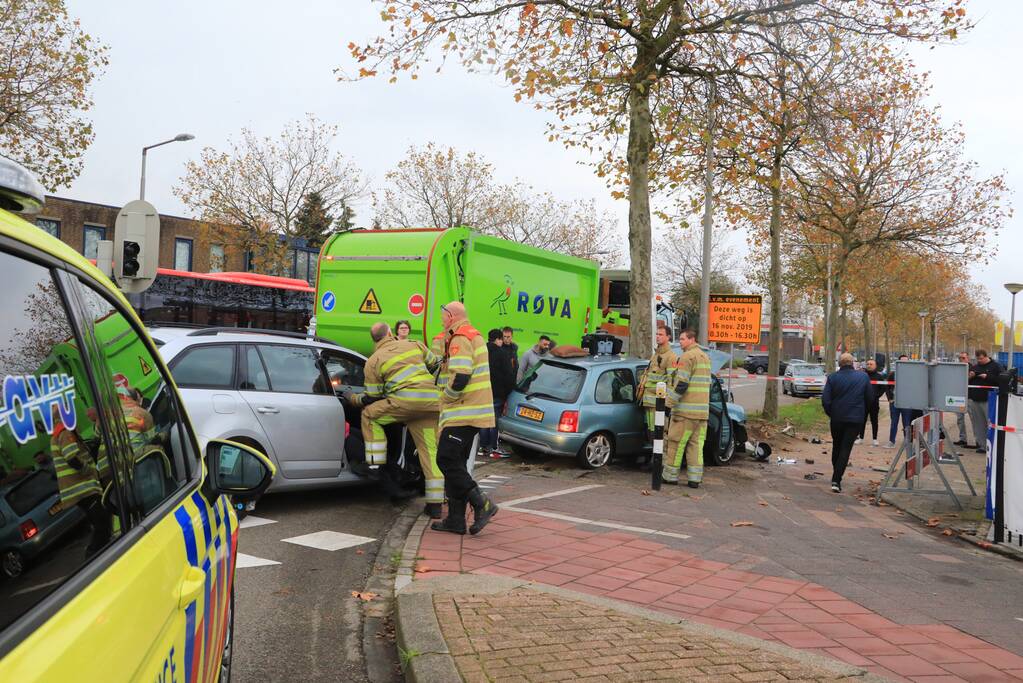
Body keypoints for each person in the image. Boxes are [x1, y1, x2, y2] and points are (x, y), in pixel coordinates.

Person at [343, 322, 445, 517]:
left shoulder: (374, 360)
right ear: (390, 332)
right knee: (429, 453)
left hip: (405, 404)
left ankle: (374, 464)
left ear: (374, 339)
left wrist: (351, 398)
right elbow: (434, 363)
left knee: (369, 414)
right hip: (431, 403)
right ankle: (435, 505)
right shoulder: (415, 344)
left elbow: (371, 397)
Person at [431, 302, 498, 535]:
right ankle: (456, 520)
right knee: (455, 464)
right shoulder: (472, 335)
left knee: (446, 460)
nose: (441, 321)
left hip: (462, 411)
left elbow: (460, 377)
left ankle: (482, 503)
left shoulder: (460, 337)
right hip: (471, 412)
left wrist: (446, 398)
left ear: (451, 316)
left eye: (442, 317)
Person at [662, 329, 711, 488]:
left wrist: (668, 403)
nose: (680, 342)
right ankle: (694, 479)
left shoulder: (686, 357)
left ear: (692, 339)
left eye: (683, 339)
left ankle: (670, 477)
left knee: (676, 444)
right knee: (696, 447)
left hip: (685, 413)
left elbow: (681, 384)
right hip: (702, 414)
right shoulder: (705, 357)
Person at [822, 353, 872, 493]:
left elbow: (826, 400)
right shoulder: (863, 377)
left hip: (837, 418)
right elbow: (870, 397)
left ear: (840, 363)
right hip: (855, 418)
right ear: (853, 363)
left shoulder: (833, 378)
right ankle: (837, 479)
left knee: (837, 445)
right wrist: (862, 412)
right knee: (846, 448)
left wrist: (831, 413)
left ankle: (836, 475)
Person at [637, 324, 677, 443]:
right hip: (649, 403)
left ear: (668, 337)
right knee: (651, 435)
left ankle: (661, 460)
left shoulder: (672, 357)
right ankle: (654, 459)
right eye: (656, 334)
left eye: (661, 334)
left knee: (660, 435)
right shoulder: (655, 355)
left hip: (659, 404)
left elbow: (672, 381)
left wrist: (667, 404)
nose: (657, 337)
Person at [481, 328, 515, 456]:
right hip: (497, 392)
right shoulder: (502, 353)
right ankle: (494, 447)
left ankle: (483, 446)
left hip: (483, 390)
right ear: (498, 339)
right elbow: (508, 374)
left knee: (484, 419)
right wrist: (511, 390)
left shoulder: (482, 351)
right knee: (494, 420)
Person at [967, 349, 1001, 454]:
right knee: (978, 424)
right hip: (975, 400)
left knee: (990, 423)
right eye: (978, 359)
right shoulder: (975, 367)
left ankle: (993, 445)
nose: (979, 361)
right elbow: (966, 380)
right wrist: (970, 376)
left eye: (981, 358)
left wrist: (987, 376)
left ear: (986, 356)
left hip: (988, 400)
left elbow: (1001, 380)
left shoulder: (996, 366)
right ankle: (982, 445)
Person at [885, 354, 913, 448]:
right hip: (894, 402)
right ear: (898, 362)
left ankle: (907, 442)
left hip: (906, 403)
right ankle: (891, 441)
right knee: (894, 422)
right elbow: (887, 387)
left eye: (906, 361)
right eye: (902, 361)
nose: (904, 363)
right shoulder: (893, 374)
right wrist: (890, 399)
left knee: (906, 423)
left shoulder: (911, 374)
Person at [858, 358, 885, 446]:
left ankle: (875, 439)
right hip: (863, 402)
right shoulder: (862, 375)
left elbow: (883, 388)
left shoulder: (879, 377)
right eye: (868, 364)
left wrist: (876, 396)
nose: (869, 365)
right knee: (862, 420)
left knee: (874, 421)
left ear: (875, 366)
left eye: (871, 364)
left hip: (874, 403)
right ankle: (861, 438)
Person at [954, 351, 971, 446]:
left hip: (970, 398)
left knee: (974, 420)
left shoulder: (973, 368)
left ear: (968, 358)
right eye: (960, 358)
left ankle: (979, 441)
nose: (961, 360)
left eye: (963, 358)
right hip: (959, 398)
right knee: (960, 419)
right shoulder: (957, 368)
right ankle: (962, 438)